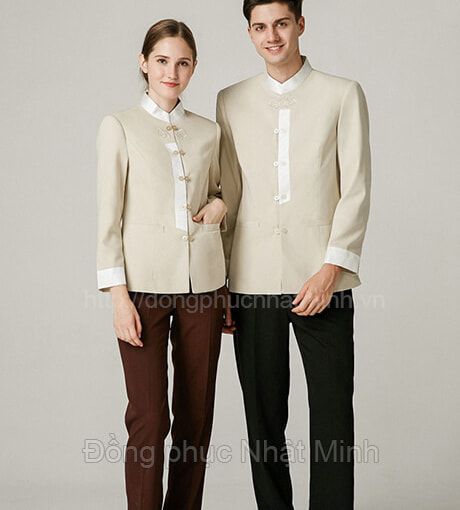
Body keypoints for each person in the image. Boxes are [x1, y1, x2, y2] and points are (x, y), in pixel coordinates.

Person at [217, 1, 371, 509]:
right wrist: (222, 282)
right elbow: (230, 193)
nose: (272, 36)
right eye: (260, 27)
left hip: (323, 278)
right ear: (249, 32)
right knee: (263, 420)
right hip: (251, 279)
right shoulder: (230, 100)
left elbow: (356, 189)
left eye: (281, 24)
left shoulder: (342, 94)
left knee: (333, 415)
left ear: (300, 25)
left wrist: (331, 270)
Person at [96, 19, 230, 510]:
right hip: (142, 291)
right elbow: (108, 220)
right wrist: (118, 298)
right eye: (162, 61)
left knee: (196, 417)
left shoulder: (209, 131)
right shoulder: (119, 127)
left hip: (204, 288)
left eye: (183, 63)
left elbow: (220, 192)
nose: (172, 72)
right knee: (150, 418)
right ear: (144, 63)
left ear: (193, 68)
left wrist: (219, 205)